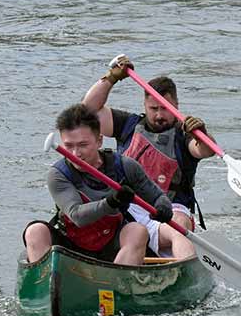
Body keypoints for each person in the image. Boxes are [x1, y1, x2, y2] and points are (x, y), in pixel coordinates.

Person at [23, 105, 191, 266]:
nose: (75, 154)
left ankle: (118, 286)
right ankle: (43, 285)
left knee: (138, 231)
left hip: (112, 245)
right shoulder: (58, 174)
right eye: (68, 146)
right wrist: (111, 202)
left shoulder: (125, 166)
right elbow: (77, 216)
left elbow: (158, 197)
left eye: (83, 145)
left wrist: (163, 208)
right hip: (72, 243)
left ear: (99, 141)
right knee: (35, 231)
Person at [80, 55, 214, 235]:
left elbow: (205, 150)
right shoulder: (127, 125)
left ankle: (178, 252)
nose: (159, 115)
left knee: (180, 221)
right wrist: (111, 78)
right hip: (129, 204)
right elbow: (87, 112)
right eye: (153, 109)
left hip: (171, 208)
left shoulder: (185, 134)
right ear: (145, 105)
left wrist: (203, 134)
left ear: (176, 105)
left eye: (165, 108)